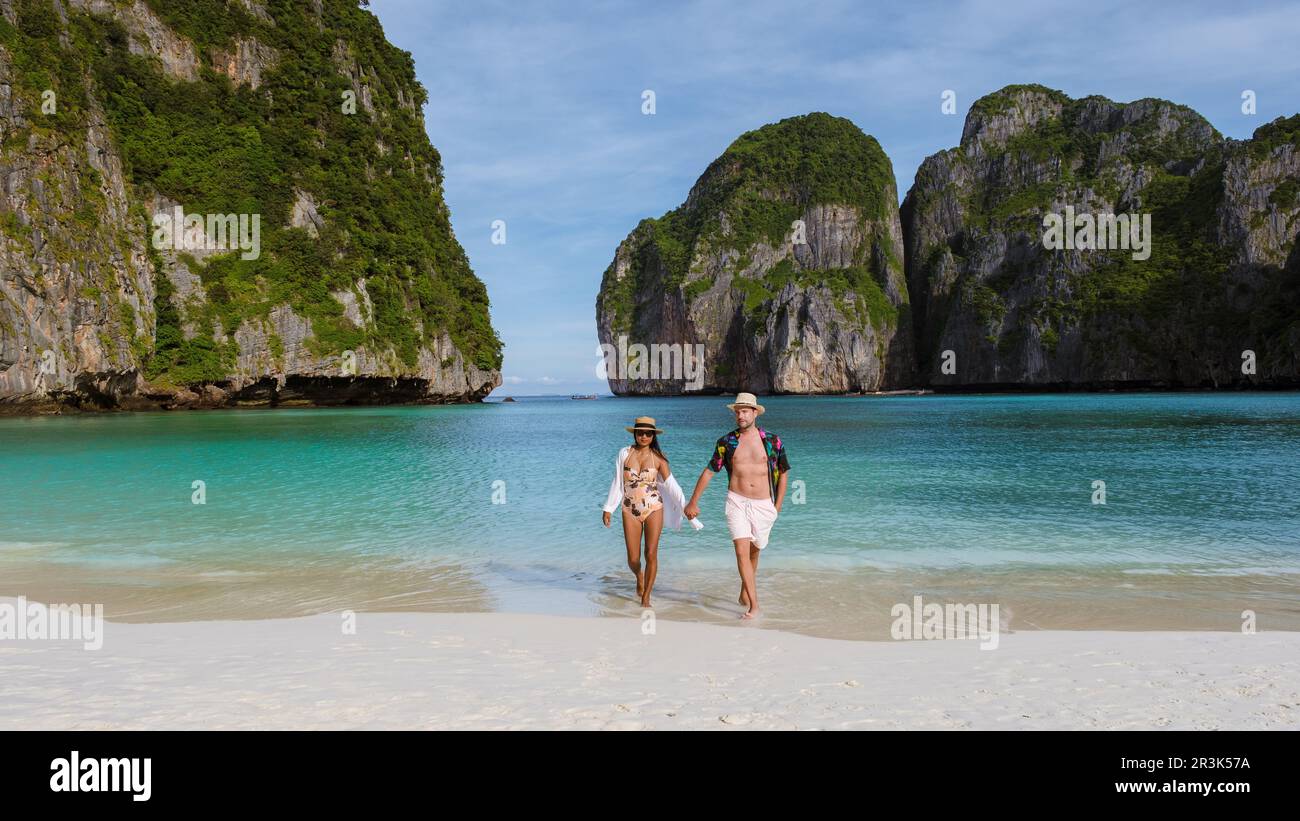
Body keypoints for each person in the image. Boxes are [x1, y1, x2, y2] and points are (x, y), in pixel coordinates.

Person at [684, 393, 789, 620]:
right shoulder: (726, 442)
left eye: (744, 411)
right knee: (741, 551)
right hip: (736, 501)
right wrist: (693, 501)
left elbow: (784, 473)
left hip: (763, 504)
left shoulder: (772, 441)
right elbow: (710, 471)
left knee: (755, 550)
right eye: (737, 411)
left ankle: (745, 590)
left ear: (754, 413)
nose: (740, 415)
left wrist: (777, 507)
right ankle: (754, 605)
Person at [602, 417, 691, 608]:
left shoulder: (658, 458)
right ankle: (639, 576)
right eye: (640, 432)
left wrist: (686, 507)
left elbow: (671, 485)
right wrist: (609, 508)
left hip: (653, 508)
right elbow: (617, 482)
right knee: (633, 559)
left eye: (648, 433)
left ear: (653, 436)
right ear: (635, 433)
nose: (643, 436)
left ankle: (646, 597)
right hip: (629, 508)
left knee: (651, 553)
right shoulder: (624, 453)